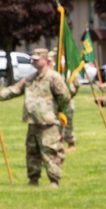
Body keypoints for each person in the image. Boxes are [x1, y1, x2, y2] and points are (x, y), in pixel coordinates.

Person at [0, 48, 71, 188]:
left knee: (50, 151)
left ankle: (54, 180)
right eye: (33, 59)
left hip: (48, 122)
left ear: (45, 60)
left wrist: (56, 110)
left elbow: (64, 96)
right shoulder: (30, 78)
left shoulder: (53, 77)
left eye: (37, 59)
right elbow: (14, 90)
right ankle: (33, 179)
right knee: (32, 152)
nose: (34, 61)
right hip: (33, 122)